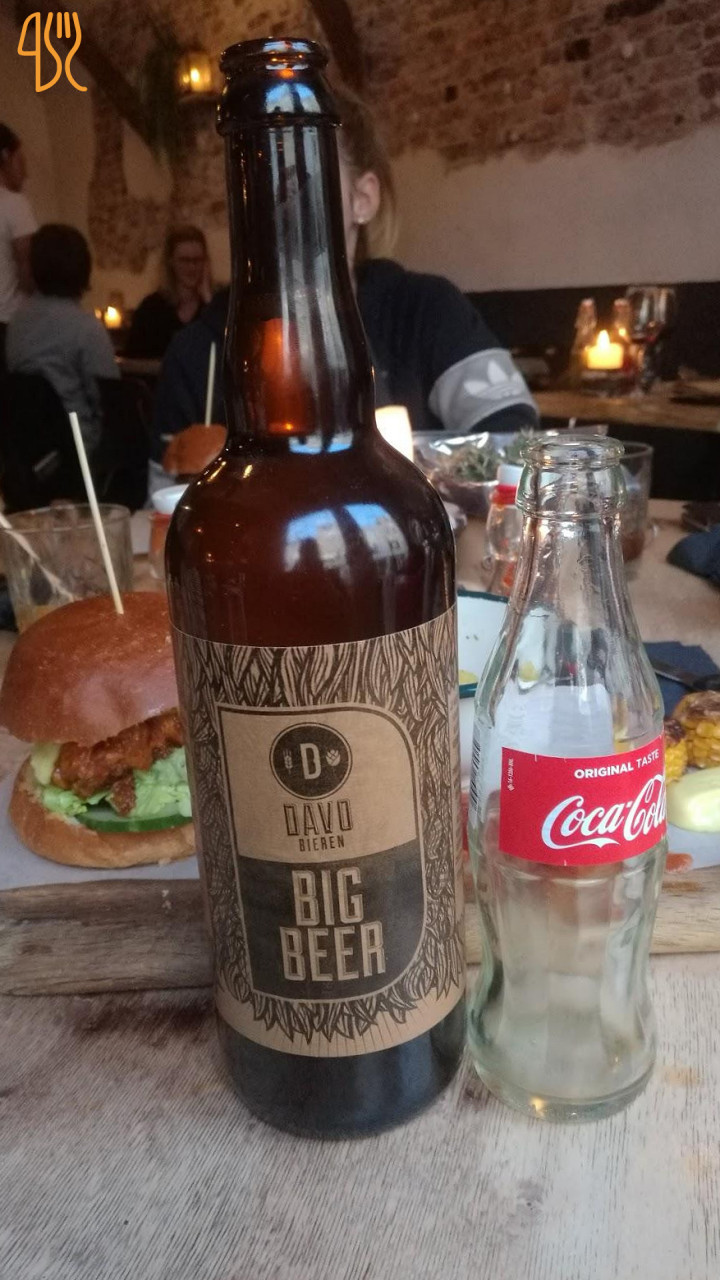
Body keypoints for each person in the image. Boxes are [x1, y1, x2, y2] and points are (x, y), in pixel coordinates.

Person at [153, 86, 537, 463]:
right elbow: (166, 495)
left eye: (297, 178)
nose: (272, 202)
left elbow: (515, 445)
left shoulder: (426, 311)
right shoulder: (198, 353)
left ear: (362, 199)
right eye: (253, 183)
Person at [6, 224, 118, 450]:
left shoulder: (17, 323)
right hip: (79, 448)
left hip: (26, 449)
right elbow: (111, 400)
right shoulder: (86, 328)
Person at [125, 226, 211, 360]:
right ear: (171, 262)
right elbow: (133, 360)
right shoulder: (151, 309)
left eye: (197, 260)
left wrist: (208, 301)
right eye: (184, 260)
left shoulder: (212, 308)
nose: (192, 267)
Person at [0, 125, 36, 373]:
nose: (26, 173)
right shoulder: (14, 204)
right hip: (9, 323)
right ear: (5, 156)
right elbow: (29, 268)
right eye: (21, 161)